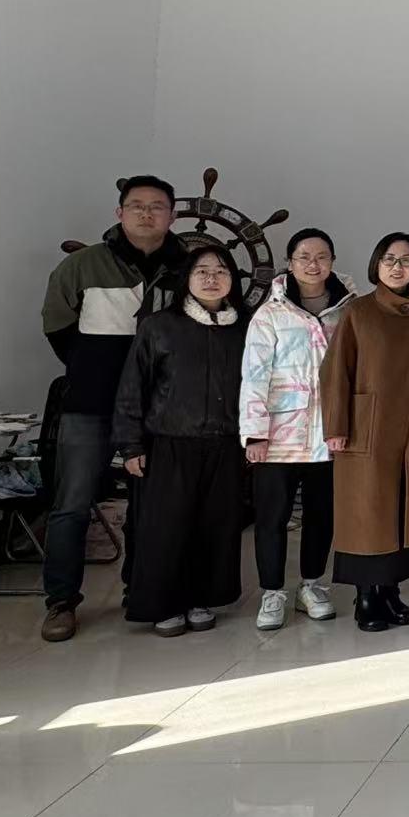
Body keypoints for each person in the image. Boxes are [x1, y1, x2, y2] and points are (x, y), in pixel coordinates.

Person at [38, 174, 190, 643]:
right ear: (119, 212)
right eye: (137, 205)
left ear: (171, 215)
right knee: (71, 504)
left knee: (151, 506)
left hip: (159, 410)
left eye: (157, 206)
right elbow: (57, 324)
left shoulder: (187, 267)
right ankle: (61, 601)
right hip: (90, 404)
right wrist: (92, 368)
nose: (147, 213)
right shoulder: (82, 266)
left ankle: (140, 592)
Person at [112, 243, 248, 636]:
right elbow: (132, 387)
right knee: (165, 529)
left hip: (225, 445)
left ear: (232, 279)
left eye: (220, 270)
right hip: (168, 443)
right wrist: (131, 445)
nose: (211, 278)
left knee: (214, 526)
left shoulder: (246, 328)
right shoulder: (159, 326)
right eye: (202, 270)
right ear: (187, 279)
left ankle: (200, 597)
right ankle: (163, 604)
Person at [240, 227, 356, 631]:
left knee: (322, 515)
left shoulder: (348, 310)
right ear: (289, 263)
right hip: (279, 436)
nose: (313, 264)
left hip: (329, 435)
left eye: (321, 256)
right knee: (272, 517)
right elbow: (254, 375)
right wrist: (255, 432)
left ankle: (312, 585)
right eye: (303, 256)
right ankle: (272, 591)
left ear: (332, 262)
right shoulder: (270, 314)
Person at [321, 233, 409, 632]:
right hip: (367, 427)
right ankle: (366, 597)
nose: (397, 267)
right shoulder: (359, 311)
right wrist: (336, 425)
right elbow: (335, 370)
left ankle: (390, 592)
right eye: (389, 259)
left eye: (406, 260)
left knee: (403, 509)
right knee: (369, 512)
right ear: (376, 265)